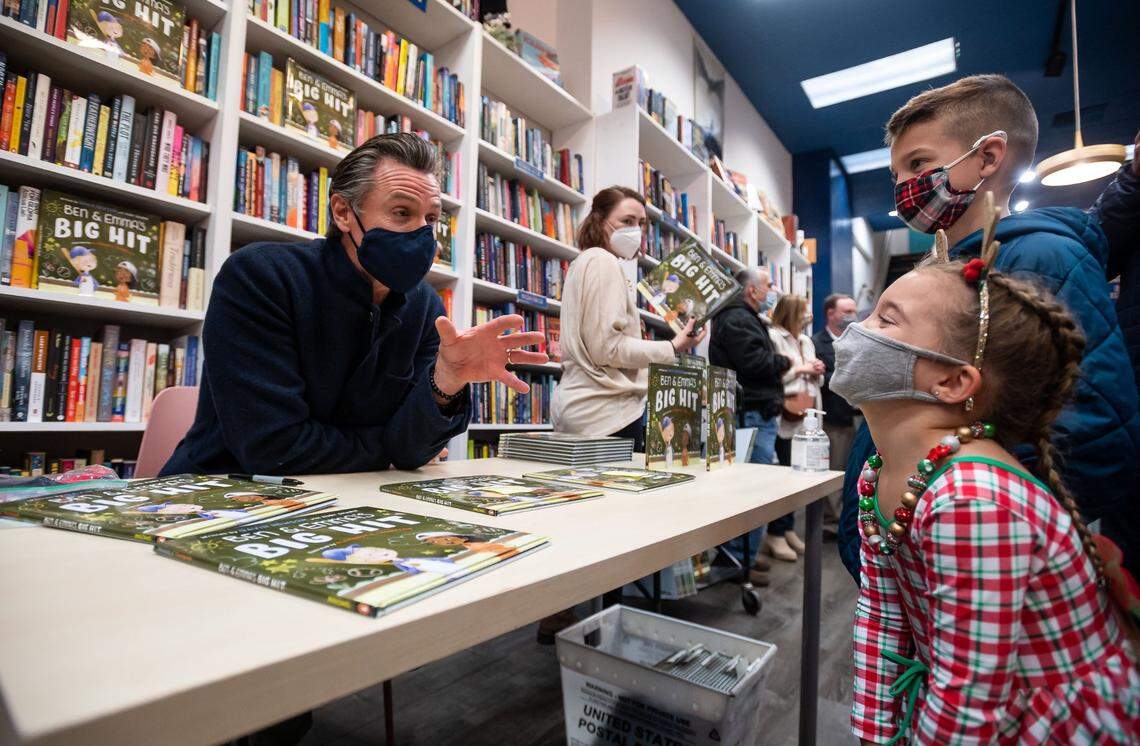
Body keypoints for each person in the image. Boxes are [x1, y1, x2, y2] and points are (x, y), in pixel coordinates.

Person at [838, 74, 1140, 580]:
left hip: (969, 562)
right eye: (897, 173)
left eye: (919, 163)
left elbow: (1095, 439)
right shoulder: (944, 270)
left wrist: (962, 518)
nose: (904, 186)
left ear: (989, 155)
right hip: (915, 558)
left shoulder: (1041, 258)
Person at [839, 241, 1140, 743]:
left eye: (885, 321)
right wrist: (874, 733)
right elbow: (881, 613)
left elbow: (968, 694)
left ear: (954, 382)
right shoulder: (879, 472)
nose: (856, 332)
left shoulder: (971, 498)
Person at [163, 133, 547, 477]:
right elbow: (272, 448)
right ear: (343, 212)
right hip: (216, 492)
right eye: (401, 213)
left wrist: (446, 380)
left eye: (431, 218)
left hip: (341, 504)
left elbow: (413, 448)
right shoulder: (260, 276)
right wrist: (389, 451)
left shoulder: (426, 308)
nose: (423, 233)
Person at [552, 185, 705, 453]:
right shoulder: (603, 262)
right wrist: (672, 347)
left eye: (641, 224)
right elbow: (607, 348)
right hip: (606, 414)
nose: (636, 231)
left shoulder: (584, 262)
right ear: (600, 220)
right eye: (626, 221)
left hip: (585, 409)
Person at [709, 266, 792, 581]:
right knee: (755, 490)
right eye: (768, 285)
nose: (773, 291)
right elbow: (756, 364)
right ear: (752, 290)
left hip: (752, 410)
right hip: (751, 413)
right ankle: (737, 562)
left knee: (751, 489)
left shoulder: (739, 317)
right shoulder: (738, 319)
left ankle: (741, 556)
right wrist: (787, 362)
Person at [765, 294, 823, 561]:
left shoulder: (805, 340)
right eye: (802, 312)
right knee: (783, 476)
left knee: (799, 475)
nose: (806, 316)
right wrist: (802, 369)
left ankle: (788, 529)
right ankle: (775, 533)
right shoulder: (774, 337)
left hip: (808, 410)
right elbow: (776, 374)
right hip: (785, 412)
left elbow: (817, 380)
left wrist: (817, 369)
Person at [812, 293, 858, 538]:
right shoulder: (816, 344)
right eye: (847, 311)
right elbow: (822, 380)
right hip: (831, 416)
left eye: (854, 310)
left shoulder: (856, 340)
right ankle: (831, 523)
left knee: (850, 470)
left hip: (856, 416)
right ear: (831, 314)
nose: (853, 315)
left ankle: (843, 519)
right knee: (832, 469)